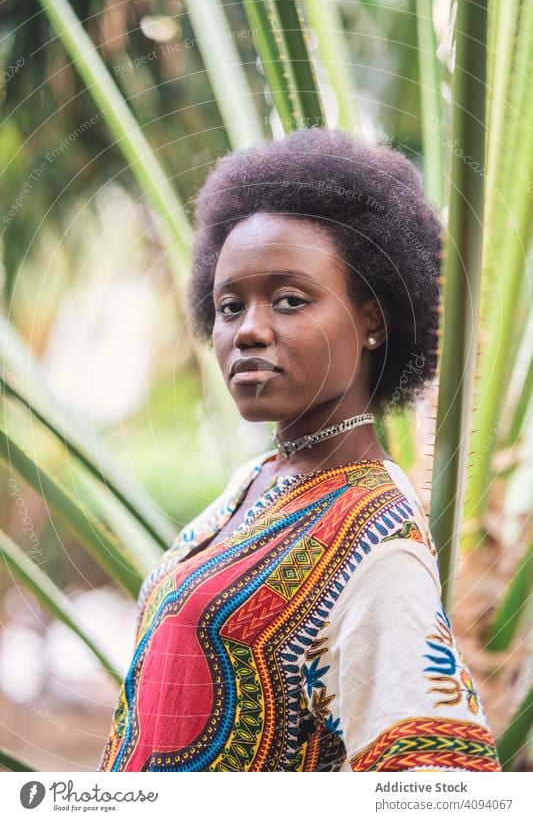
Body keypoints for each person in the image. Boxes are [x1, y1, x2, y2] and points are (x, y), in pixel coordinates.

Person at [98, 128, 500, 772]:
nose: (249, 329)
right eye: (230, 305)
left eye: (289, 300)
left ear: (372, 320)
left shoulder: (376, 539)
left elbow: (435, 780)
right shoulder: (255, 480)